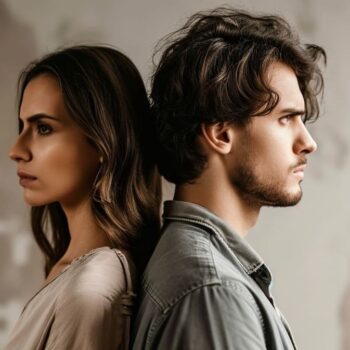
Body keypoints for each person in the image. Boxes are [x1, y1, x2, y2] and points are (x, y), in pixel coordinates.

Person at [132, 7, 326, 350]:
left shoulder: (210, 276)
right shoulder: (214, 294)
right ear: (221, 135)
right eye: (286, 119)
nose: (308, 143)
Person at [6, 45, 161, 350]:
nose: (17, 150)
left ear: (104, 142)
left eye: (44, 128)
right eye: (23, 126)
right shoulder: (75, 272)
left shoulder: (90, 291)